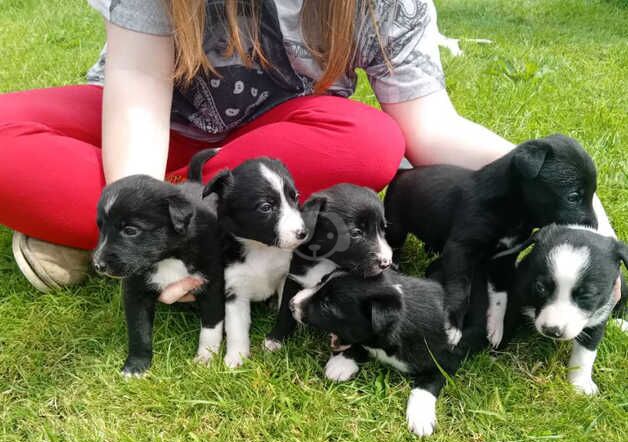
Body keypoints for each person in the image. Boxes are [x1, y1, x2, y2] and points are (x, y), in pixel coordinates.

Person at [0, 0, 618, 304]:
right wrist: (135, 196)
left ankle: (110, 226)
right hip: (150, 125)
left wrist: (568, 194)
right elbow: (135, 97)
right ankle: (151, 219)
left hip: (282, 141)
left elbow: (431, 128)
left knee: (370, 140)